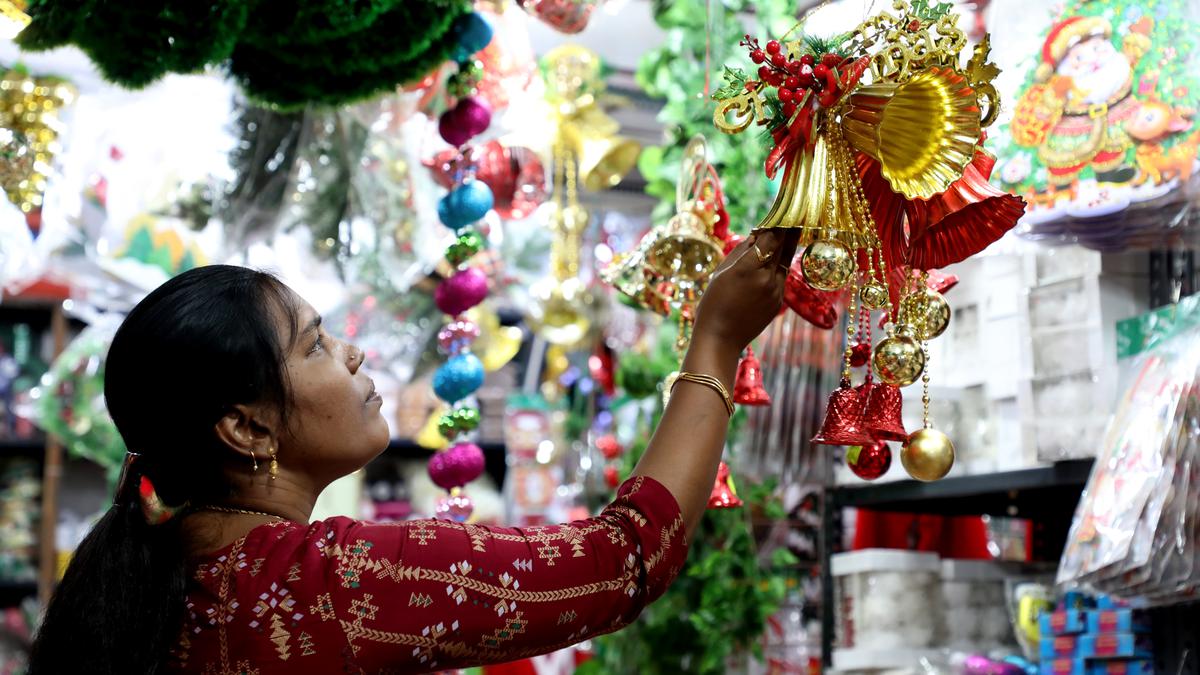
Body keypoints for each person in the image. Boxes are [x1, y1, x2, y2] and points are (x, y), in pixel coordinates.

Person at [29, 229, 799, 674]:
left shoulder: (154, 584)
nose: (354, 355)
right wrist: (718, 339)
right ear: (248, 428)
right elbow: (625, 558)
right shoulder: (328, 585)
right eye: (317, 345)